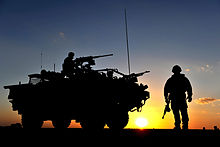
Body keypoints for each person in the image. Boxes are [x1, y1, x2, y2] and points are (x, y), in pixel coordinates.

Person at [164, 65, 192, 130]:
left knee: (181, 112)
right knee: (178, 112)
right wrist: (166, 98)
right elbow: (166, 90)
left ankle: (182, 126)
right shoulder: (181, 79)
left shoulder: (172, 80)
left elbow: (189, 88)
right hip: (177, 98)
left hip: (179, 98)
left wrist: (190, 96)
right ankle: (180, 126)